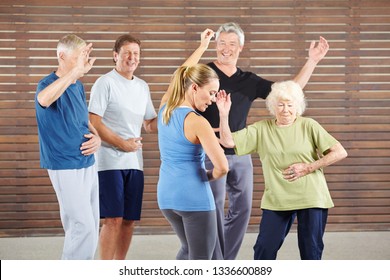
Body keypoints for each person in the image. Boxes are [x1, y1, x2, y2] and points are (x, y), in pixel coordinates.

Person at [199, 22, 330, 260]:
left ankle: (224, 262)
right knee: (213, 210)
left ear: (241, 47)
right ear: (215, 46)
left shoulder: (248, 80)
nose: (226, 49)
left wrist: (312, 61)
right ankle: (211, 262)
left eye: (231, 44)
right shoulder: (204, 73)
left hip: (240, 151)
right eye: (221, 44)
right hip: (209, 152)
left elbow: (290, 90)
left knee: (242, 210)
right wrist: (203, 129)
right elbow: (184, 99)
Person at [217, 80, 348, 260]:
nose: (285, 109)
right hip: (277, 199)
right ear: (273, 107)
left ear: (297, 106)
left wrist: (308, 167)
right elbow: (228, 142)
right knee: (264, 249)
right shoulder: (262, 129)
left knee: (311, 251)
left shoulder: (308, 125)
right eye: (280, 104)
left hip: (310, 197)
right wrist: (224, 115)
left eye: (290, 104)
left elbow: (340, 151)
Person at [157, 29, 229, 260]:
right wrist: (206, 175)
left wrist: (202, 47)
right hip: (194, 198)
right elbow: (223, 167)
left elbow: (179, 75)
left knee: (188, 250)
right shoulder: (198, 122)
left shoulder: (164, 109)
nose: (212, 99)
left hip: (167, 198)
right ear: (195, 87)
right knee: (201, 262)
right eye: (211, 92)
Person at [88, 34, 157, 260]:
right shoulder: (105, 82)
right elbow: (94, 121)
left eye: (136, 53)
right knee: (113, 219)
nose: (132, 57)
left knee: (128, 220)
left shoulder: (142, 86)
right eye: (127, 53)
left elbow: (149, 124)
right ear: (115, 56)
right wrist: (122, 144)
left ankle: (120, 266)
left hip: (134, 162)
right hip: (109, 161)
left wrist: (173, 110)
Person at [35, 34, 101, 260]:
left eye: (85, 55)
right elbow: (44, 99)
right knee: (83, 227)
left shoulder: (78, 86)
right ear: (62, 56)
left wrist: (98, 138)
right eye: (80, 56)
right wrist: (75, 72)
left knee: (89, 226)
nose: (84, 60)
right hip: (63, 164)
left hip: (87, 162)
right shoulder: (46, 84)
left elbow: (84, 120)